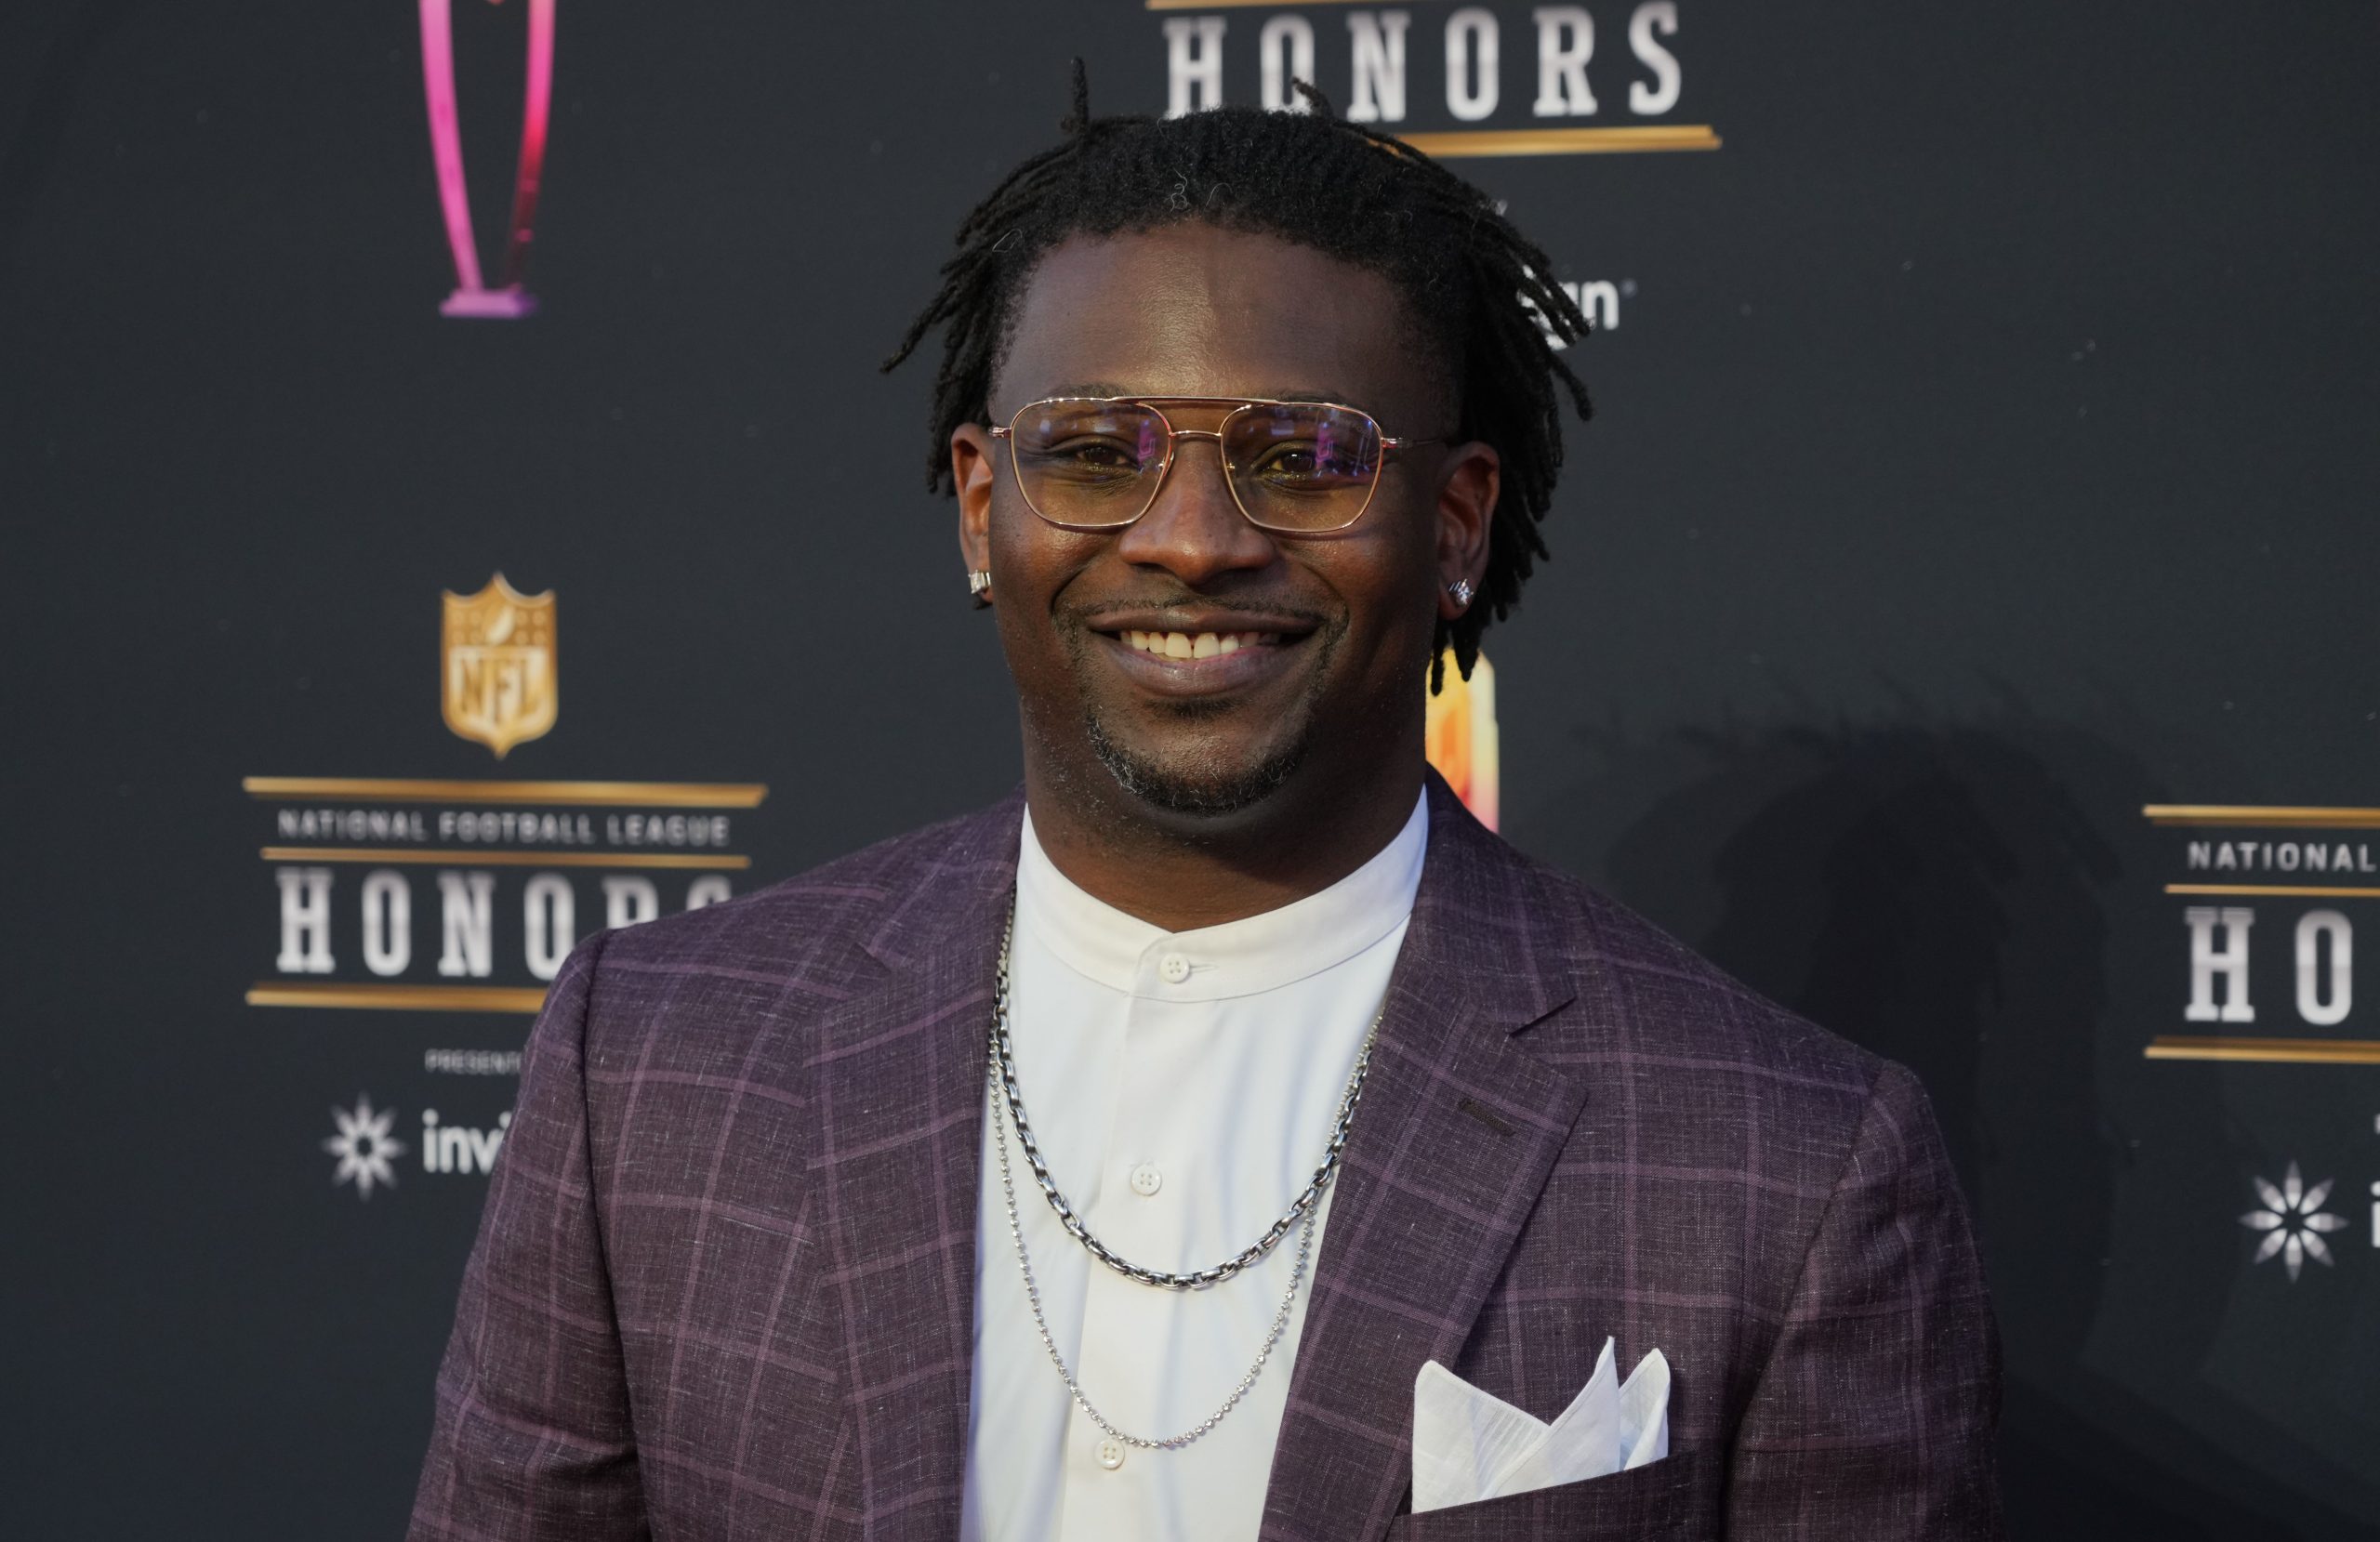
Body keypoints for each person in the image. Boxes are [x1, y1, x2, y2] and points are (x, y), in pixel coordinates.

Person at [407, 68, 2000, 1542]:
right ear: (984, 507)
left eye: (1301, 458)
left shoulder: (1787, 1171)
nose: (1188, 539)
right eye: (1094, 450)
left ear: (1453, 525)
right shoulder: (655, 1066)